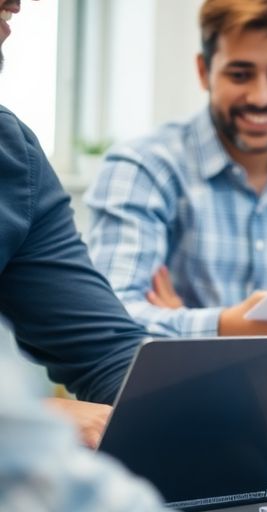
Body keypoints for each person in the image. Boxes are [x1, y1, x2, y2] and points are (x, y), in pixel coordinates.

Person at [86, 0, 267, 338]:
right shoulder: (144, 169)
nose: (261, 97)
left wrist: (182, 325)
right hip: (176, 392)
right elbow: (109, 320)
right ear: (203, 71)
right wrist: (228, 326)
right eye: (240, 74)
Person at [0, 1, 170, 508]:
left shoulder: (13, 157)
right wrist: (32, 419)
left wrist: (210, 410)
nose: (16, 7)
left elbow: (105, 350)